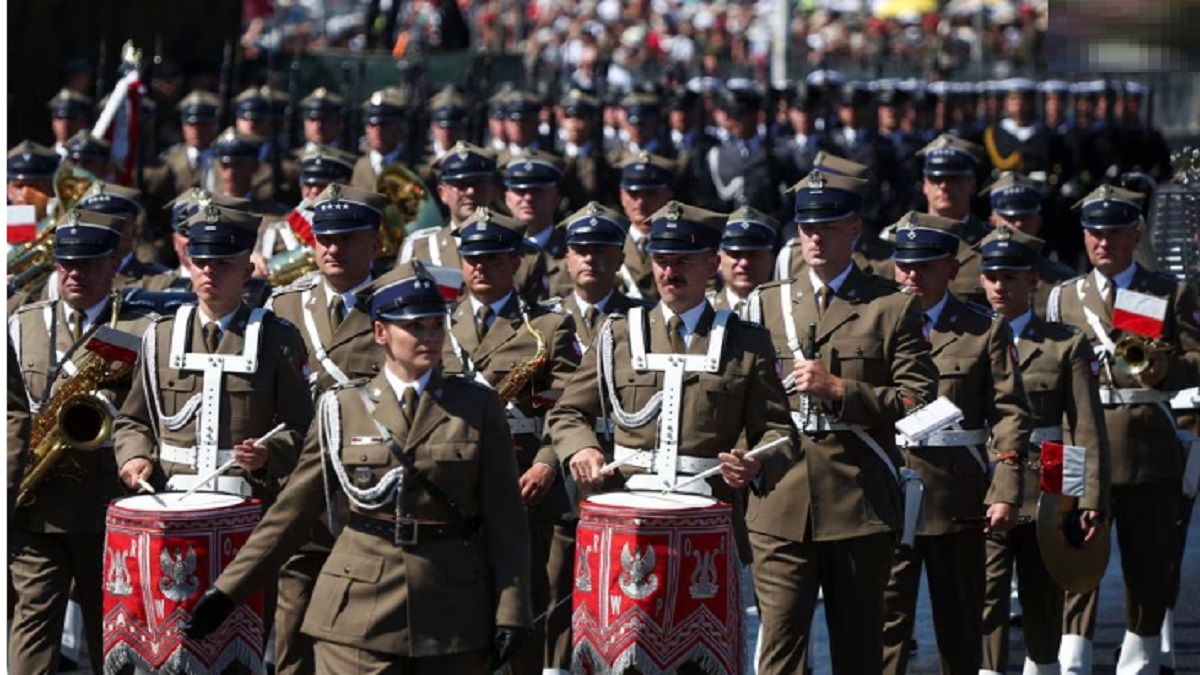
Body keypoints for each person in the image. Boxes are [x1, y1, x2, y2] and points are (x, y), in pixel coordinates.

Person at [182, 261, 533, 673]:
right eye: (414, 327)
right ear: (381, 332)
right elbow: (291, 513)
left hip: (453, 611)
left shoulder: (477, 406)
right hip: (357, 612)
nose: (430, 337)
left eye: (437, 325)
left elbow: (506, 518)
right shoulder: (342, 408)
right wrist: (227, 592)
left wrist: (512, 610)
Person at [547, 199, 799, 674]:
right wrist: (579, 445)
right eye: (662, 260)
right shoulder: (617, 333)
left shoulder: (747, 342)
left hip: (707, 524)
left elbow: (779, 433)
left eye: (683, 261)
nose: (670, 271)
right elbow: (567, 412)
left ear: (712, 263)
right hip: (624, 527)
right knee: (619, 658)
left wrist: (756, 462)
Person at [741, 172, 938, 674]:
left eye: (827, 226)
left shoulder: (890, 306)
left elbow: (921, 398)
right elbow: (743, 397)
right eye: (807, 226)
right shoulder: (767, 303)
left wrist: (841, 391)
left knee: (858, 650)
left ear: (854, 229)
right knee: (779, 649)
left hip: (858, 499)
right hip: (780, 499)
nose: (815, 237)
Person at [1046, 185, 1200, 673]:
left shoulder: (1165, 292)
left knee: (1148, 561)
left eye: (1114, 233)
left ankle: (1140, 658)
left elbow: (1197, 358)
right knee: (1072, 551)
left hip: (1144, 439)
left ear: (1135, 236)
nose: (1103, 243)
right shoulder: (1063, 298)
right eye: (1094, 233)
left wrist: (1166, 374)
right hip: (1078, 441)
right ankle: (1073, 655)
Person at [8, 209, 159, 675]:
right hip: (37, 505)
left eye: (90, 264)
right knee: (33, 622)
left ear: (113, 265)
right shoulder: (21, 323)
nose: (77, 274)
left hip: (104, 507)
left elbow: (150, 411)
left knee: (111, 632)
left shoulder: (143, 328)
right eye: (67, 265)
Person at [882, 211, 1031, 675]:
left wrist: (1005, 488)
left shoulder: (983, 328)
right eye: (904, 264)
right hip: (885, 494)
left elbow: (1009, 413)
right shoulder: (873, 322)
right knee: (883, 628)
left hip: (957, 498)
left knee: (961, 627)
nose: (912, 275)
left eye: (925, 265)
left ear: (951, 268)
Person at [441, 206, 580, 675]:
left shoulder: (549, 327)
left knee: (526, 609)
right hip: (452, 488)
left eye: (494, 257)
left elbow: (568, 407)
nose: (481, 266)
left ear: (515, 261)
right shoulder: (435, 324)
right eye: (472, 256)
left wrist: (547, 463)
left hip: (524, 480)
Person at [261, 183, 389, 674]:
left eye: (347, 239)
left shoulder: (397, 303)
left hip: (368, 487)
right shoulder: (284, 306)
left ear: (374, 243)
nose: (332, 249)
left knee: (365, 626)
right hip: (300, 485)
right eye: (323, 239)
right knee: (292, 624)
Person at [975, 226, 1111, 675]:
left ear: (1033, 281)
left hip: (1045, 481)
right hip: (986, 484)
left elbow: (1082, 430)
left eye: (1010, 277)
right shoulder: (969, 337)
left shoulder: (1062, 343)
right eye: (992, 276)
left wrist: (1079, 500)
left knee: (1042, 592)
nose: (1000, 286)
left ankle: (1045, 666)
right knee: (986, 593)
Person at [538, 201, 651, 674]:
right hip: (563, 468)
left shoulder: (643, 321)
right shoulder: (541, 321)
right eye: (580, 250)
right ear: (565, 257)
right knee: (555, 587)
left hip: (625, 468)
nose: (591, 259)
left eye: (602, 249)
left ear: (620, 256)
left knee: (627, 587)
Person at [979, 172, 1076, 317]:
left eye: (1024, 217)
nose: (1018, 224)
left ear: (1038, 221)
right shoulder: (971, 273)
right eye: (1009, 218)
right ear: (992, 222)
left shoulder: (1064, 282)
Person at [915, 134, 990, 305]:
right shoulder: (895, 239)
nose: (943, 186)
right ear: (925, 185)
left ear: (972, 184)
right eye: (936, 179)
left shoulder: (989, 245)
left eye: (953, 179)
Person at [503, 150, 567, 300]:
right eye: (520, 191)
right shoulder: (498, 254)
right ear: (507, 199)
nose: (528, 198)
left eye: (537, 191)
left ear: (555, 199)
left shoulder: (573, 251)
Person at [616, 151, 677, 301]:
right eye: (633, 194)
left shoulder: (683, 243)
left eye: (650, 193)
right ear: (621, 196)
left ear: (668, 194)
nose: (641, 202)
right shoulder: (611, 242)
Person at [711, 206, 780, 313]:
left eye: (754, 254)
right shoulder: (706, 310)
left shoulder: (788, 308)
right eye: (735, 255)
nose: (744, 263)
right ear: (718, 261)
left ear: (771, 260)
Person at [350, 88, 409, 192]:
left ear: (400, 127)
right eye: (372, 125)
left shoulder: (415, 168)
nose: (378, 130)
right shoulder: (356, 168)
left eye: (384, 125)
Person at [47, 88, 93, 158]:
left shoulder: (91, 160)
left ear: (84, 122)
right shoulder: (45, 161)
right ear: (53, 122)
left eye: (72, 118)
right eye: (59, 118)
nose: (65, 124)